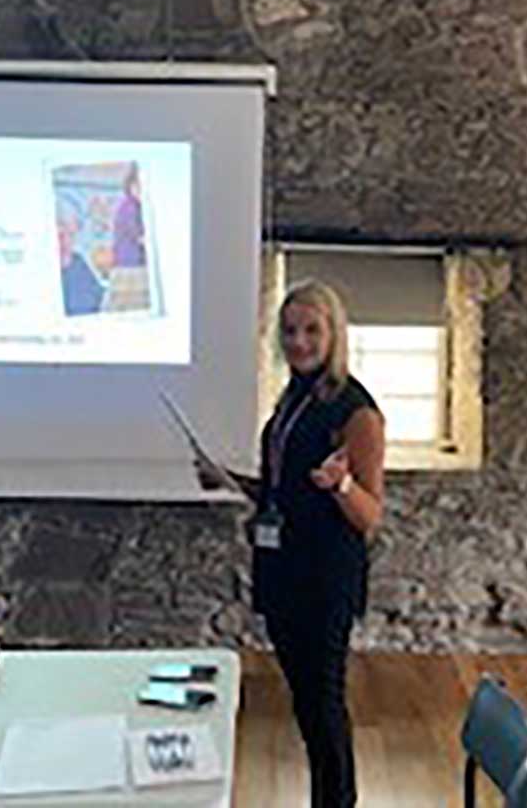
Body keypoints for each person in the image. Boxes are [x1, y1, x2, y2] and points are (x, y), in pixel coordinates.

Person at [200, 279, 386, 808]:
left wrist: (342, 485)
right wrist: (231, 481)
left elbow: (370, 515)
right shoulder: (294, 397)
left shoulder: (357, 412)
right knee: (306, 702)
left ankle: (337, 803)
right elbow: (286, 487)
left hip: (324, 579)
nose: (298, 342)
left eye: (311, 330)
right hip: (282, 570)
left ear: (334, 334)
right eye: (288, 331)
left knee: (323, 706)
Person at [55, 197, 104, 315]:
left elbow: (97, 299)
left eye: (71, 235)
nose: (67, 240)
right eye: (62, 234)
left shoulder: (80, 264)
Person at [112, 165, 147, 269]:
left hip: (133, 258)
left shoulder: (138, 206)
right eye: (138, 186)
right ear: (130, 186)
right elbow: (132, 230)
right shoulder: (128, 206)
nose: (141, 191)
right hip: (129, 260)